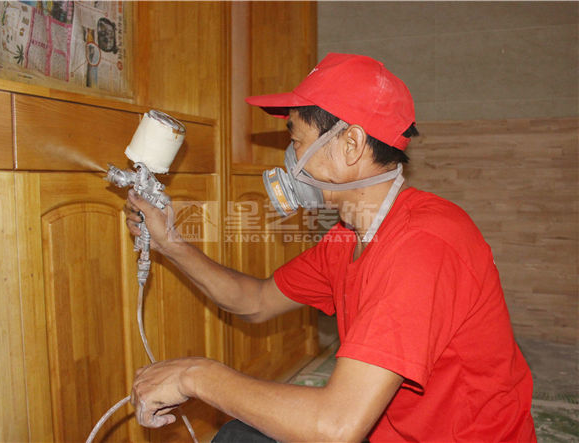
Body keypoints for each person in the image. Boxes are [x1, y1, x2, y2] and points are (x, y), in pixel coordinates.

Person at [125, 53, 536, 442]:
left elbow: (335, 428)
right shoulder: (349, 235)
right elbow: (255, 301)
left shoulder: (423, 245)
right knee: (240, 436)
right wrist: (170, 243)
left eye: (297, 139)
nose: (291, 157)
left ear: (351, 144)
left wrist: (195, 376)